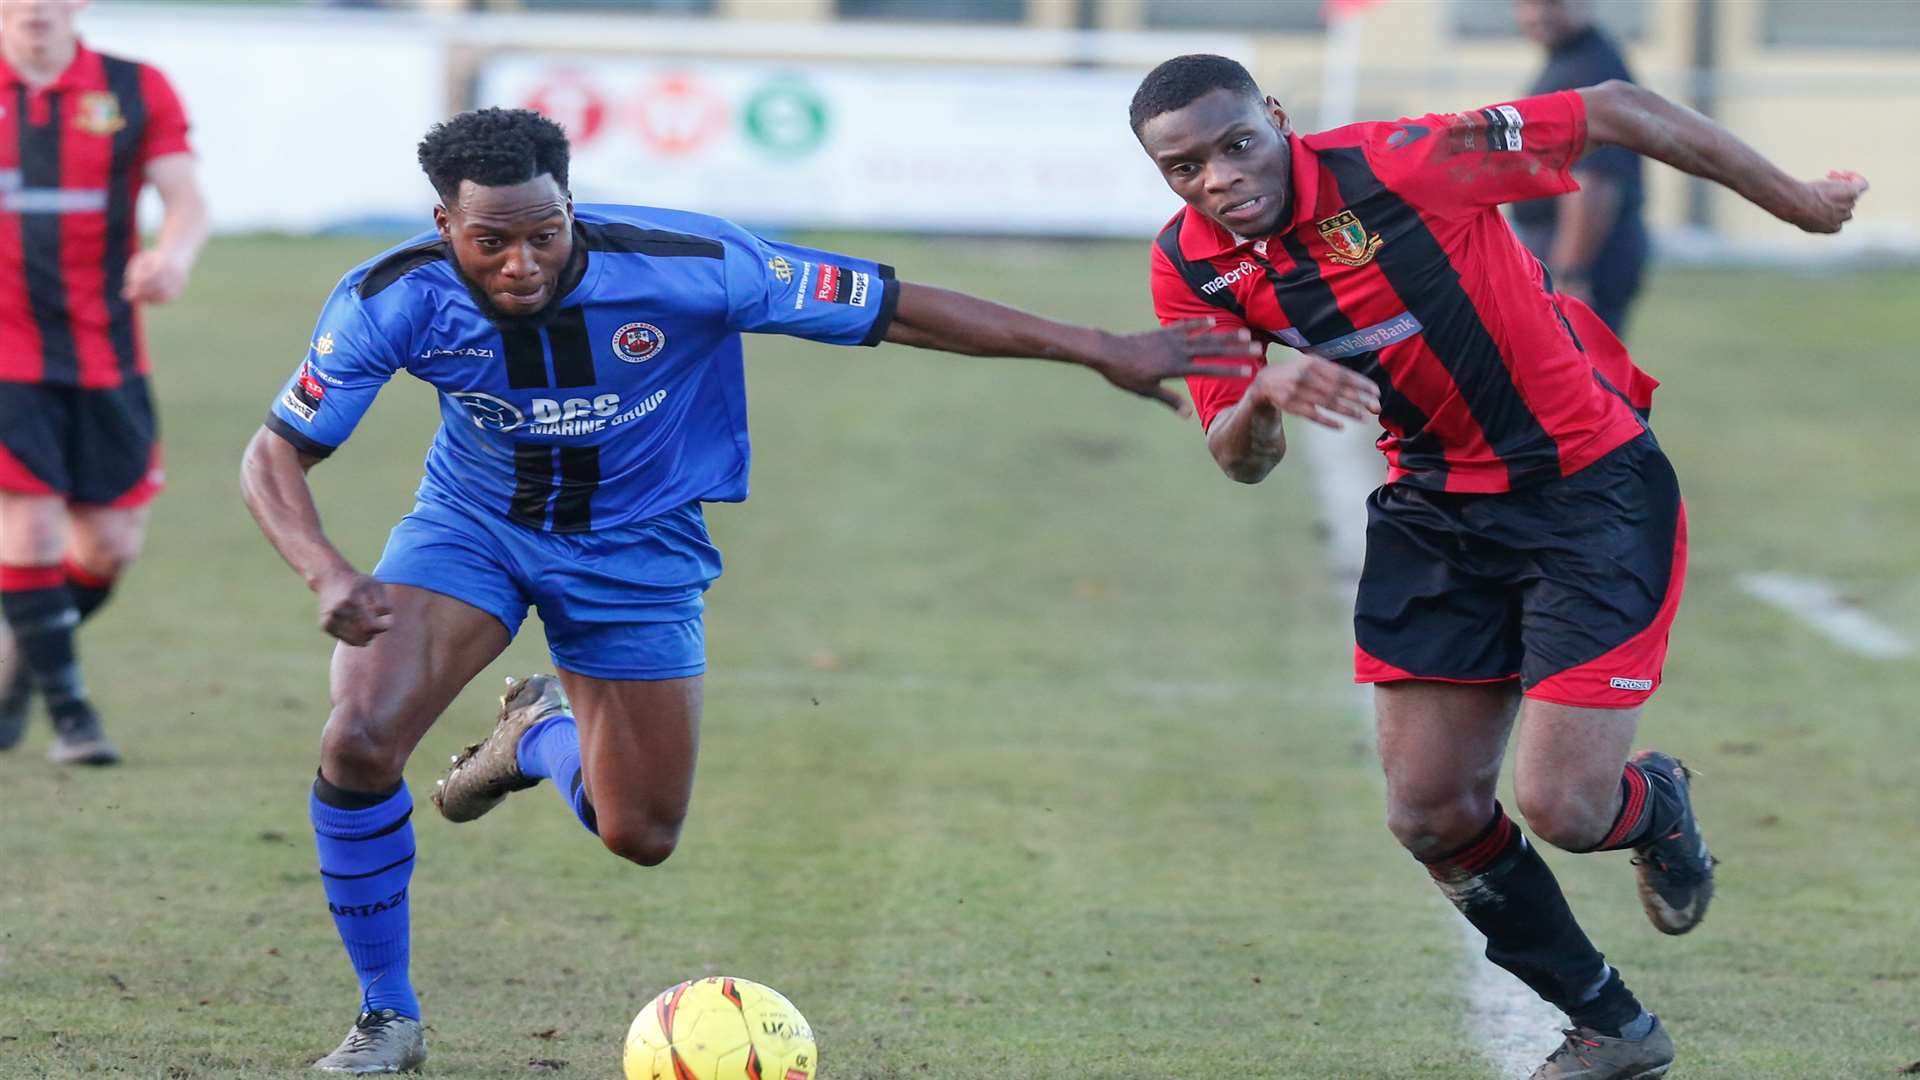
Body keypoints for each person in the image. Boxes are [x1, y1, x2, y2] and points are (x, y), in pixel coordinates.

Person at [238, 107, 1259, 1074]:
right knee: (361, 737)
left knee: (640, 834)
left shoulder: (693, 263)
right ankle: (387, 1016)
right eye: (491, 241)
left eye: (544, 235)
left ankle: (535, 739)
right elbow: (275, 450)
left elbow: (895, 308)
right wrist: (326, 569)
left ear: (570, 208)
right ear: (444, 225)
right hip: (473, 530)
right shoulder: (393, 295)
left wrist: (1097, 347)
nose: (522, 263)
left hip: (639, 549)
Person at [1131, 54, 1865, 1080]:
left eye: (1236, 143)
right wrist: (1260, 392)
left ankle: (1657, 805)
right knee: (1428, 810)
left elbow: (1614, 110)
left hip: (1586, 492)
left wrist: (1795, 201)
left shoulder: (1410, 162)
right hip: (1435, 512)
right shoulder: (1192, 268)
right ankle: (1611, 1027)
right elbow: (1237, 460)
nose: (1216, 178)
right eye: (1184, 166)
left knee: (1566, 808)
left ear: (1279, 121)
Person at [0, 0, 208, 765]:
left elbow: (184, 198)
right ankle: (73, 717)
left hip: (107, 351)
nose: (37, 7)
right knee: (31, 524)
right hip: (6, 354)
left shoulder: (133, 87)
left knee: (111, 544)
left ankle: (22, 658)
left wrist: (173, 256)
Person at [1511, 0, 1648, 335]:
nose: (1537, 14)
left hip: (1583, 254)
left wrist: (1569, 274)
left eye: (1552, 4)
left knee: (1582, 379)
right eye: (1527, 4)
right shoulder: (1568, 59)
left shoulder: (1591, 69)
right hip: (1565, 248)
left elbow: (1594, 181)